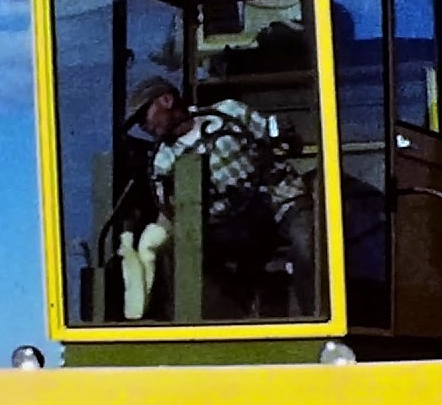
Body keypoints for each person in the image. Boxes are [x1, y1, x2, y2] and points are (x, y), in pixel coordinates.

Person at [123, 76, 315, 318]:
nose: (144, 126)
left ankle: (316, 317)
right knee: (194, 266)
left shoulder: (228, 112)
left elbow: (275, 134)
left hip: (281, 201)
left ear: (167, 100)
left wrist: (282, 133)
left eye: (144, 116)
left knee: (308, 241)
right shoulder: (163, 161)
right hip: (231, 229)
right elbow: (172, 212)